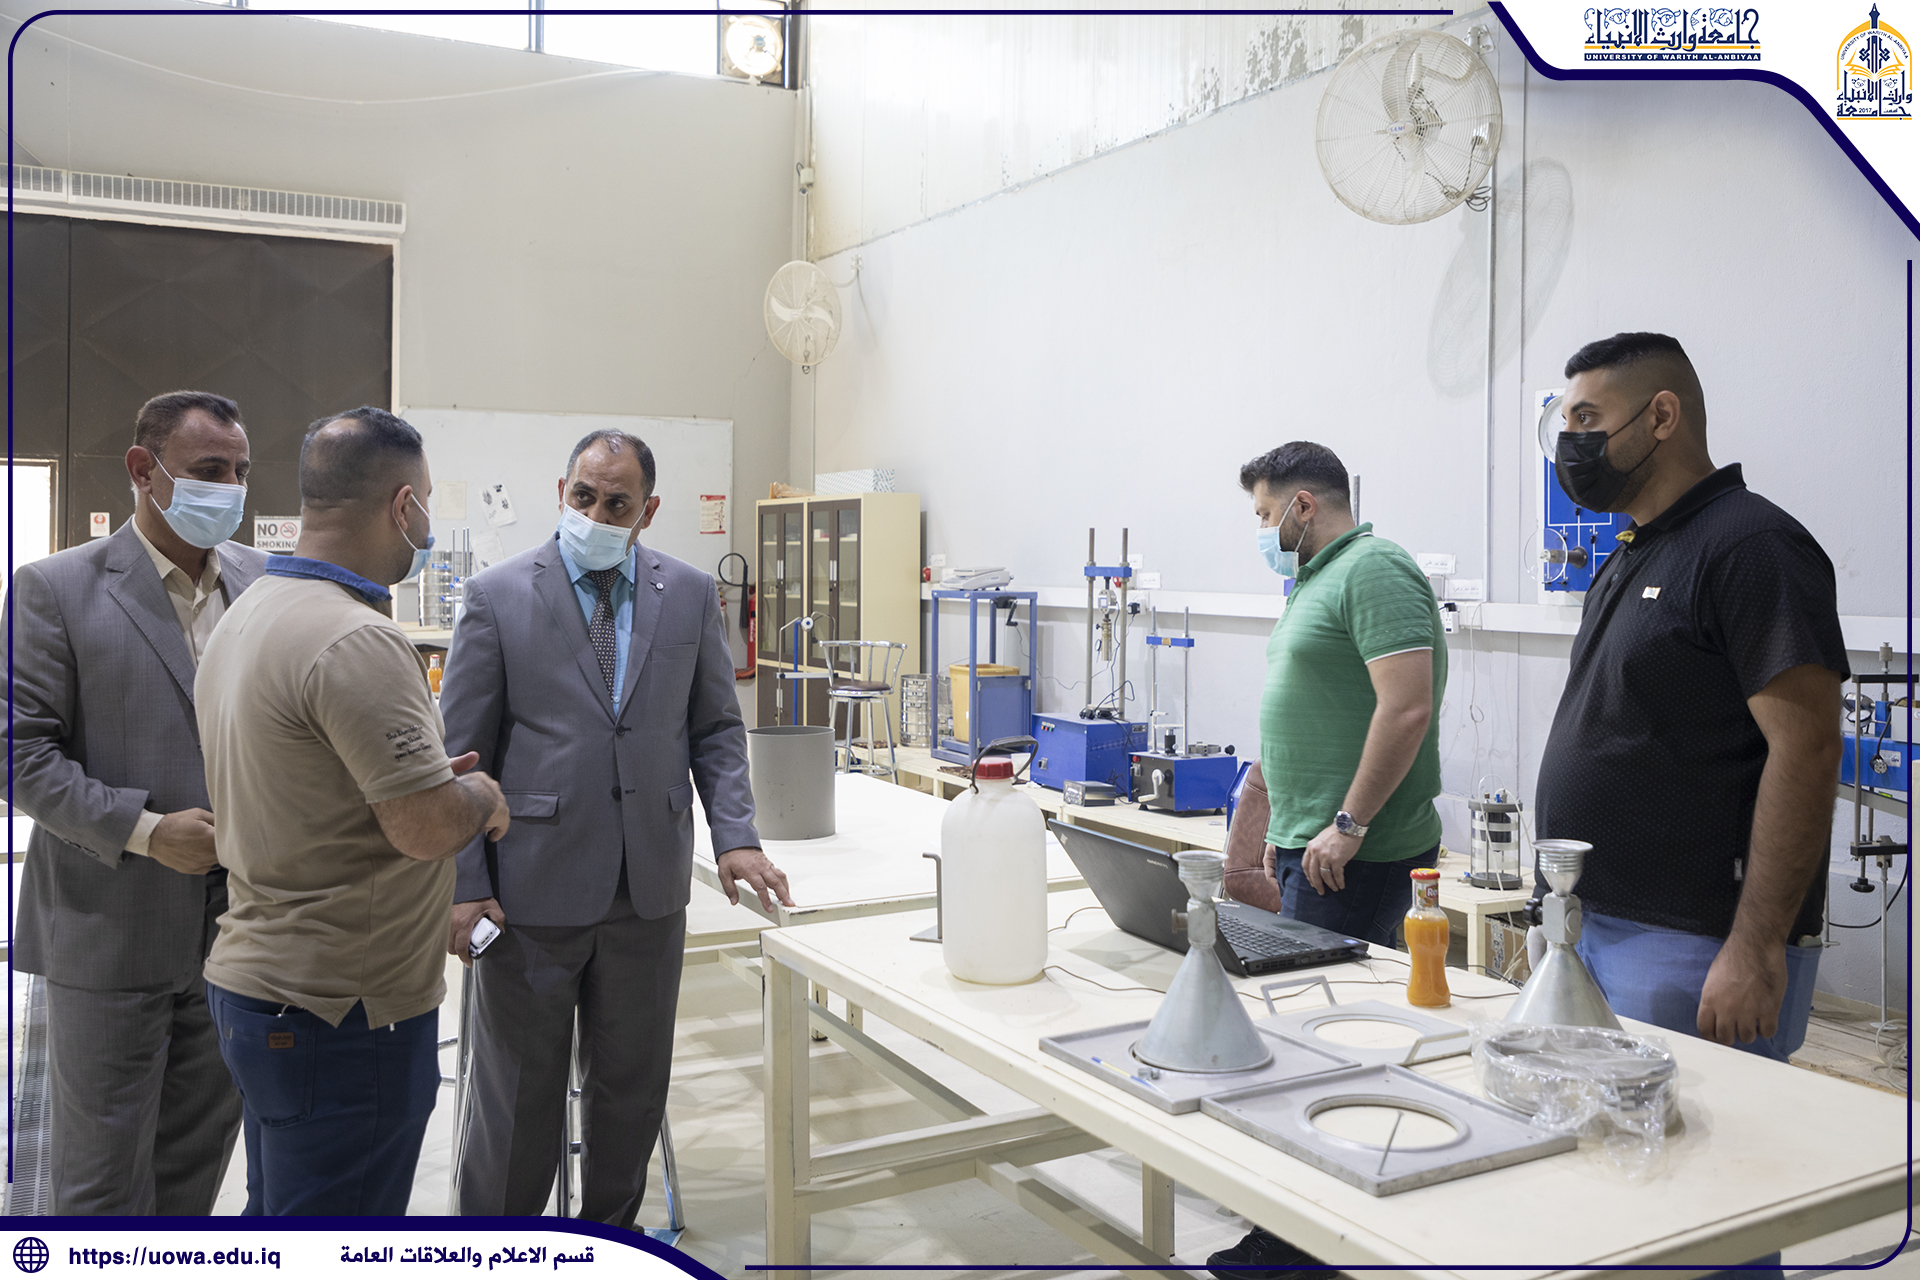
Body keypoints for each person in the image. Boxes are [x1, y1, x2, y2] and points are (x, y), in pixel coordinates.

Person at [441, 429, 790, 1225]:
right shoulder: (498, 596)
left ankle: (609, 1243)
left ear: (648, 511)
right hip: (528, 894)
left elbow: (715, 729)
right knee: (515, 1102)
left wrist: (736, 835)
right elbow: (460, 759)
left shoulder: (690, 594)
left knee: (631, 1094)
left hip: (648, 893)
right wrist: (463, 886)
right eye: (584, 497)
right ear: (562, 491)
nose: (596, 514)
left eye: (617, 503)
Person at [195, 407, 510, 1216]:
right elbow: (425, 829)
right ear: (403, 506)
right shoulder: (356, 639)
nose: (426, 525)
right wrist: (477, 797)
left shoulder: (248, 613)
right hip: (343, 1011)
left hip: (262, 983)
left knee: (282, 1218)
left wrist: (423, 782)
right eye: (426, 503)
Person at [1535, 332, 1846, 1063]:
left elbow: (1807, 747)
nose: (1571, 443)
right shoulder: (1632, 552)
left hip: (1693, 942)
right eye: (1564, 423)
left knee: (1698, 1133)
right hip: (1591, 922)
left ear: (1662, 417)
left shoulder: (1751, 546)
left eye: (1588, 419)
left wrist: (1757, 945)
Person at [8, 391, 262, 1214]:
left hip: (238, 935)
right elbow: (20, 753)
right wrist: (147, 832)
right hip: (108, 929)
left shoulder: (262, 585)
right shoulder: (56, 588)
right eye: (209, 470)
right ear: (143, 470)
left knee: (194, 1169)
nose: (229, 488)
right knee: (101, 1184)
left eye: (240, 471)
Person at [1207, 441, 1446, 1280]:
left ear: (1304, 506)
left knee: (1322, 1053)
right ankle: (1300, 1227)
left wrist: (1349, 822)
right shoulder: (1313, 581)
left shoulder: (1375, 570)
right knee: (1298, 1038)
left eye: (1266, 514)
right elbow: (1298, 720)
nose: (1262, 530)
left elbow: (1406, 708)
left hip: (1354, 857)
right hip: (1306, 850)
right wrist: (1259, 839)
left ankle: (1300, 1248)